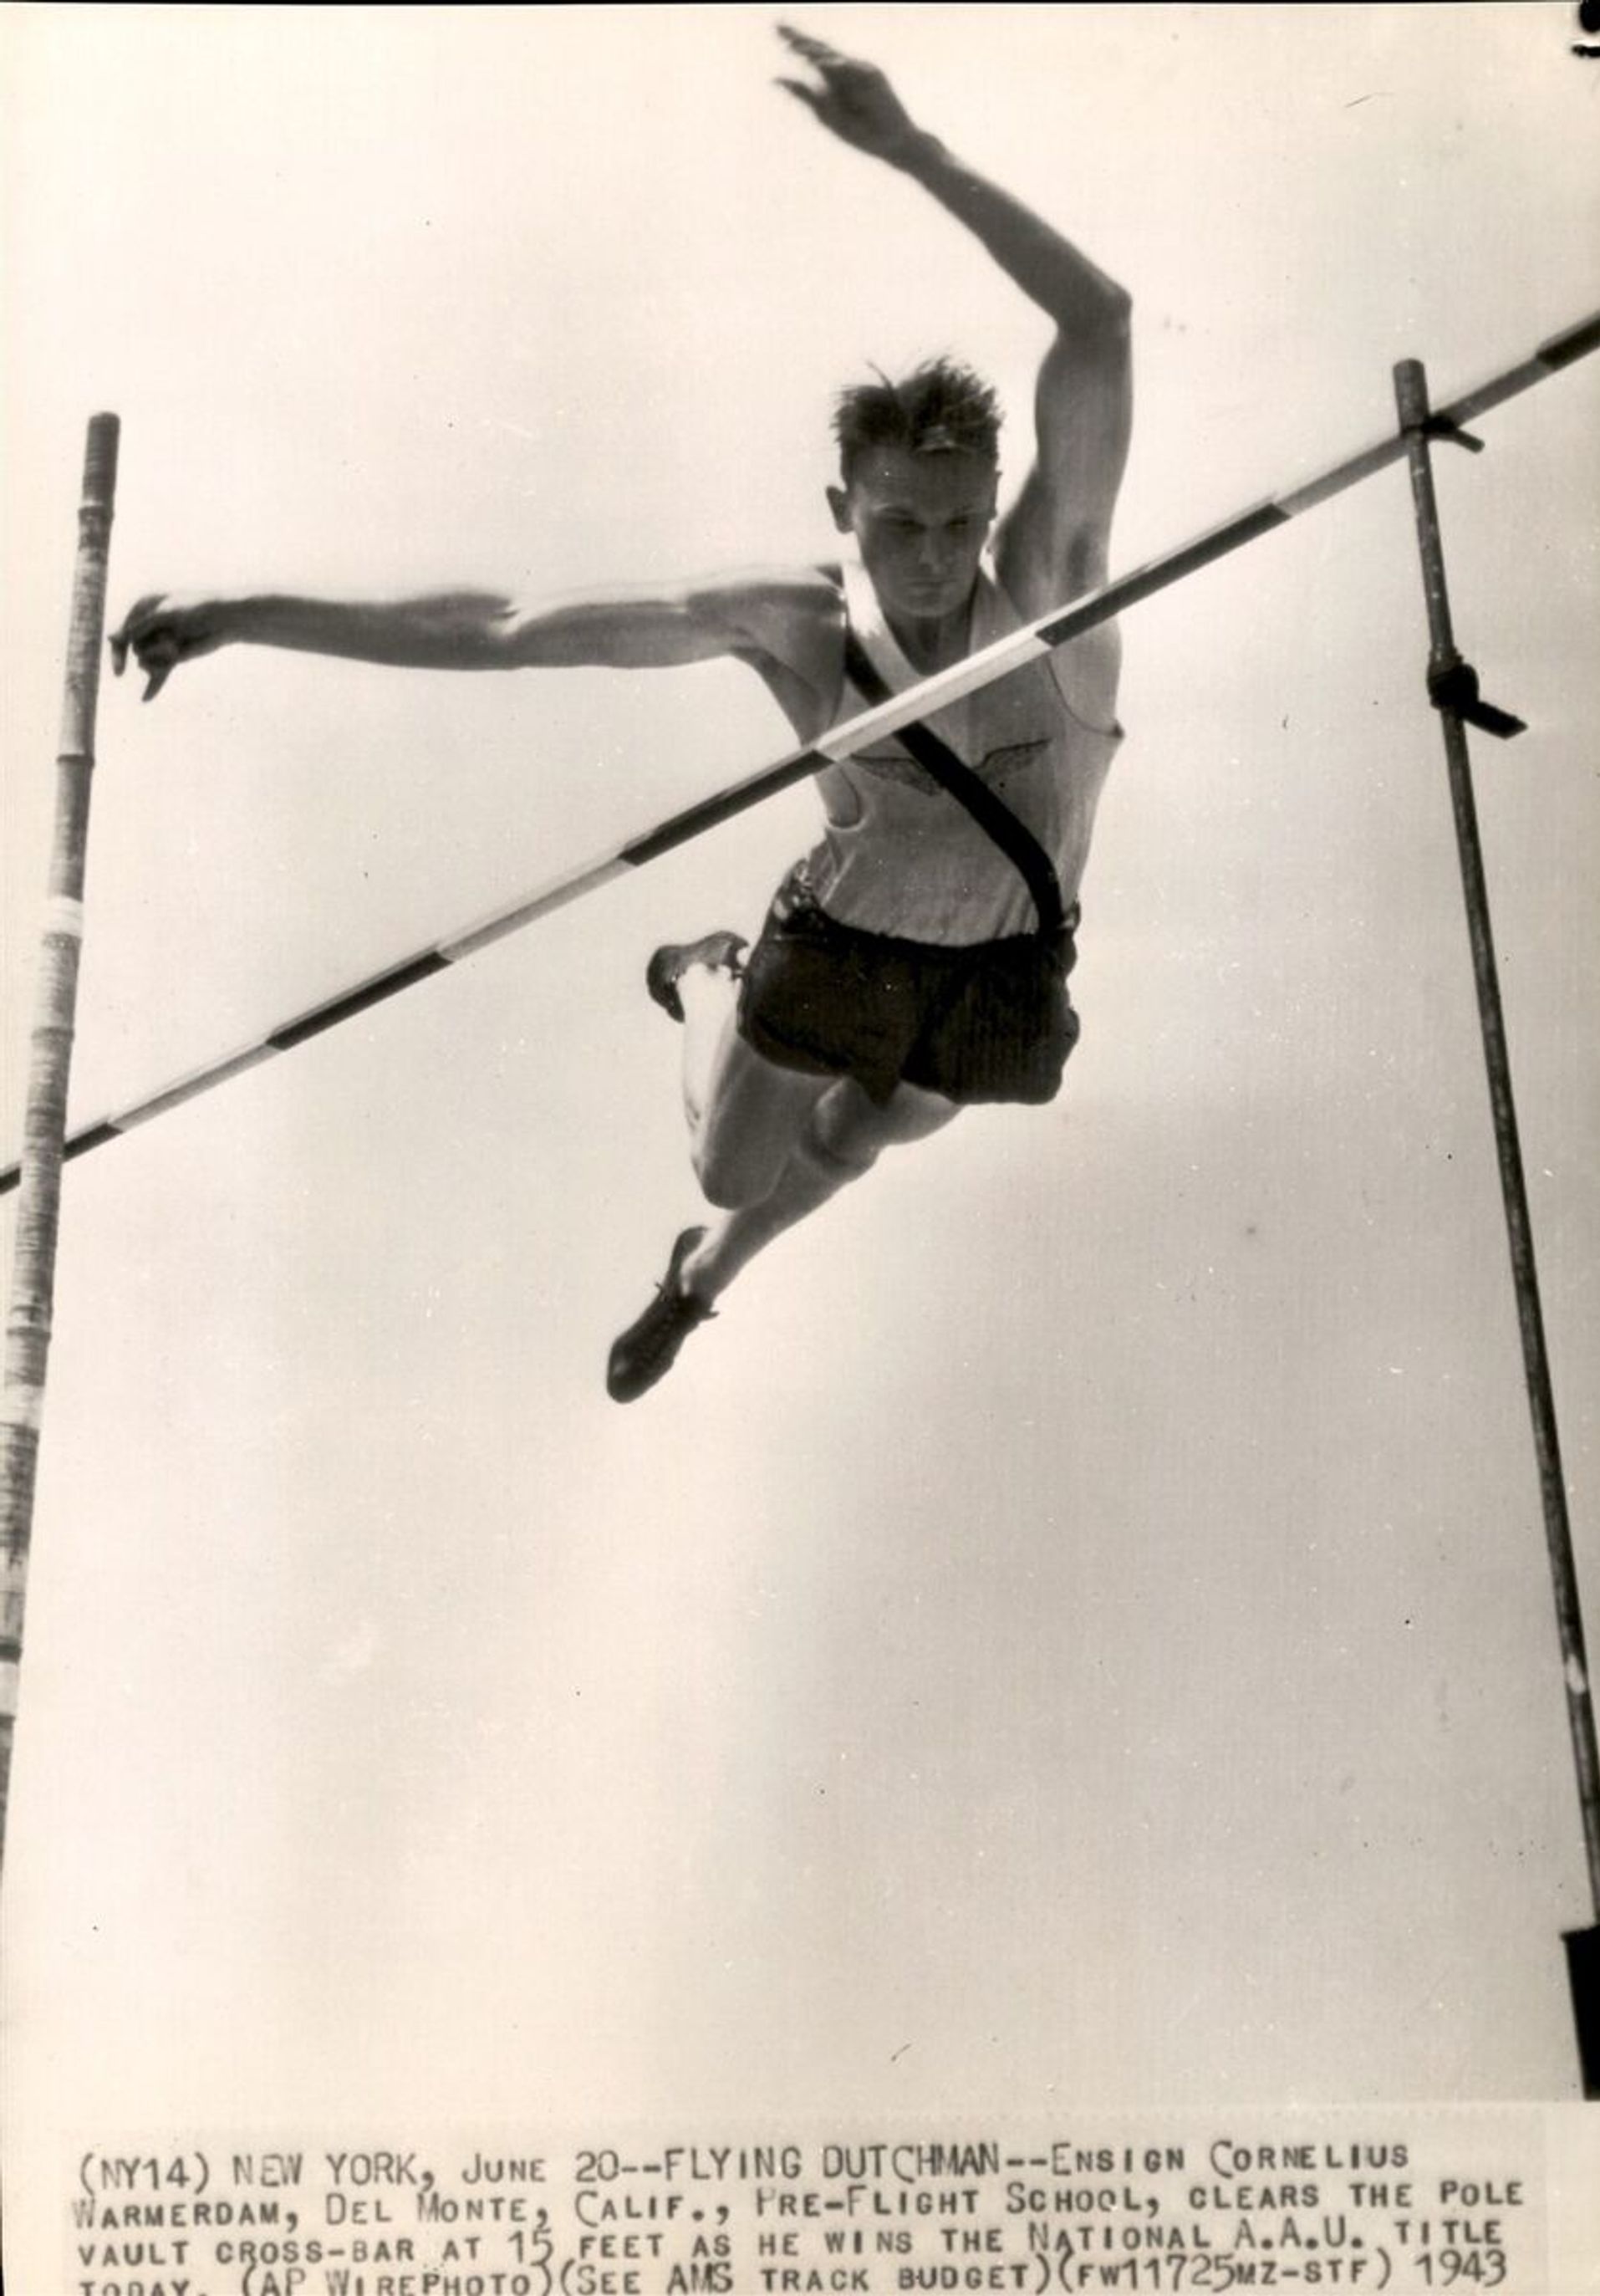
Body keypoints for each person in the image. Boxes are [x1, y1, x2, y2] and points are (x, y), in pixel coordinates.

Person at [109, 25, 1133, 1405]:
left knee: (882, 1128)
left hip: (1012, 956)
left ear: (996, 498)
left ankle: (698, 1283)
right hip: (850, 939)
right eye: (899, 526)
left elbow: (1100, 322)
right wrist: (246, 610)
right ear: (844, 513)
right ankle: (703, 975)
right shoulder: (802, 625)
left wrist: (913, 152)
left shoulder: (1054, 577)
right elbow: (509, 625)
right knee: (733, 1162)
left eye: (958, 522)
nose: (939, 559)